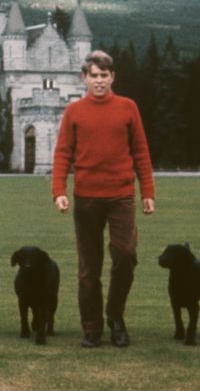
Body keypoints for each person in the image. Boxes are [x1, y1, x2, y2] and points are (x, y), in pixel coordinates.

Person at [51, 50, 156, 348]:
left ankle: (115, 316)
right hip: (85, 198)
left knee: (125, 255)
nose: (99, 81)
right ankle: (91, 326)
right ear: (83, 78)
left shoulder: (127, 107)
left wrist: (147, 192)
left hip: (121, 196)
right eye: (93, 76)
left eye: (104, 76)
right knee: (88, 267)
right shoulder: (74, 111)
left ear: (113, 77)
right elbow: (62, 153)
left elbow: (141, 151)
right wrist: (58, 191)